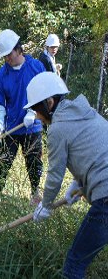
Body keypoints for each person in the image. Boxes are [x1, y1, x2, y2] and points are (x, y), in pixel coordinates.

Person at [26, 72, 108, 279]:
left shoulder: (58, 127)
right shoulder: (85, 112)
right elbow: (95, 152)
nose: (36, 116)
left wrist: (45, 204)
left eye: (37, 109)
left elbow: (54, 174)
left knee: (74, 265)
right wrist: (78, 183)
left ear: (49, 102)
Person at [0, 29, 46, 206]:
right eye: (4, 56)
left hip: (32, 126)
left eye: (9, 54)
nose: (7, 58)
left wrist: (33, 112)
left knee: (34, 162)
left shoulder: (36, 67)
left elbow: (46, 94)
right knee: (2, 162)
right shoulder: (1, 75)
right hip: (11, 127)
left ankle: (35, 194)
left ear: (18, 49)